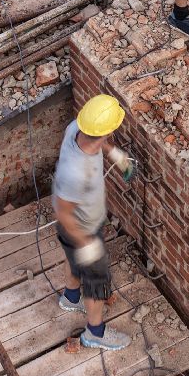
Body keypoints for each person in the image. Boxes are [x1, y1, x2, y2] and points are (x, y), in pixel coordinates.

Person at [53, 94, 136, 351]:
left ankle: (70, 297)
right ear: (107, 130)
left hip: (75, 230)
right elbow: (62, 210)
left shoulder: (76, 128)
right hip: (81, 229)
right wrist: (86, 243)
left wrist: (116, 155)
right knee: (97, 279)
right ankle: (95, 333)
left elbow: (97, 139)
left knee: (72, 258)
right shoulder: (76, 172)